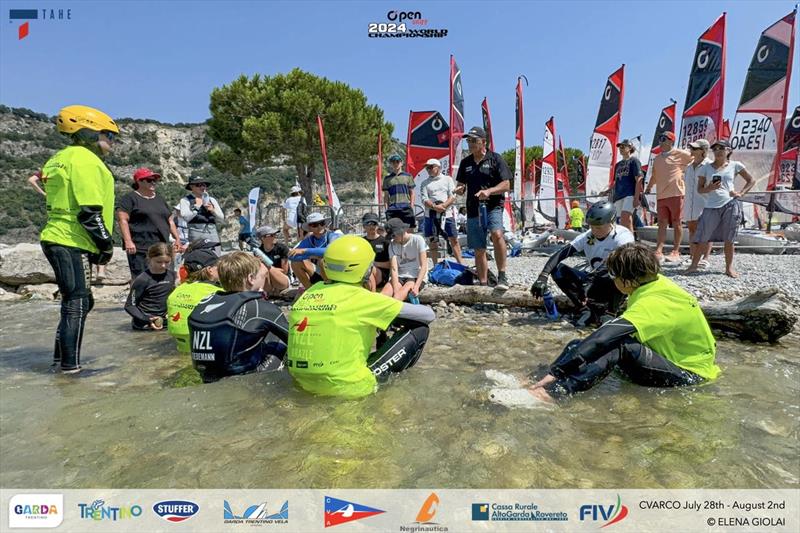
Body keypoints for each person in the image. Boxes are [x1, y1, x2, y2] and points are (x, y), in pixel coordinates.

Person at [491, 243, 720, 406]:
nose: (611, 279)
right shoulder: (650, 283)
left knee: (614, 345)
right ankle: (532, 382)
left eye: (613, 275)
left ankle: (553, 394)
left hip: (690, 374)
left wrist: (558, 371)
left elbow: (604, 338)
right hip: (671, 358)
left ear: (627, 280)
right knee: (577, 344)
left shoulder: (655, 301)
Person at [287, 235, 435, 398]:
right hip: (350, 387)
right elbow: (428, 315)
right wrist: (387, 318)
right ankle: (387, 387)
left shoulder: (308, 294)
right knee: (420, 329)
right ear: (366, 268)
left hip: (301, 384)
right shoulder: (363, 299)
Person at [40, 105, 118, 374]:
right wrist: (105, 245)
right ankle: (70, 368)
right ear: (89, 132)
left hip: (59, 236)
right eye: (109, 135)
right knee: (77, 302)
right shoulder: (85, 160)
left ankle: (59, 359)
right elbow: (89, 211)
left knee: (78, 300)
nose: (112, 141)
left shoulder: (59, 158)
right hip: (71, 238)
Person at [529, 200, 634, 327]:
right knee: (557, 270)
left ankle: (611, 312)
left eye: (599, 227)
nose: (594, 231)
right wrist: (543, 276)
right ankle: (584, 310)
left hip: (615, 285)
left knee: (620, 269)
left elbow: (617, 262)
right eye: (592, 226)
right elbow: (560, 254)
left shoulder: (623, 236)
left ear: (611, 222)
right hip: (594, 281)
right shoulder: (588, 236)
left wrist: (589, 281)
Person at [188, 252, 288, 382]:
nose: (264, 278)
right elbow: (295, 338)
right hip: (246, 379)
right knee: (278, 337)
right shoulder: (259, 308)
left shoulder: (203, 304)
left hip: (207, 377)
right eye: (262, 276)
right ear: (251, 278)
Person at [685, 139, 755, 278]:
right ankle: (693, 266)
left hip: (730, 203)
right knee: (702, 237)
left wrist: (741, 193)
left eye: (721, 148)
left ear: (728, 150)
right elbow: (700, 189)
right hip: (710, 205)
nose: (717, 151)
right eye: (715, 149)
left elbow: (751, 180)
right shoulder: (706, 168)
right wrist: (710, 188)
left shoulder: (736, 165)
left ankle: (729, 268)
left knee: (729, 238)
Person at [455, 126, 513, 290]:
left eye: (474, 141)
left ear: (483, 142)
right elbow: (461, 184)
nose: (471, 144)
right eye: (468, 141)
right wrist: (460, 189)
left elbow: (506, 184)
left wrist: (489, 191)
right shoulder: (466, 162)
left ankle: (502, 276)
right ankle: (483, 283)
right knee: (478, 248)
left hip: (493, 206)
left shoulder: (495, 159)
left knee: (497, 234)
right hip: (473, 208)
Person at [116, 167, 182, 281]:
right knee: (141, 278)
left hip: (162, 247)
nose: (153, 182)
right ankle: (138, 299)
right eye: (149, 180)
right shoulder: (130, 198)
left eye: (154, 180)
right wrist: (128, 241)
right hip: (140, 247)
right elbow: (122, 220)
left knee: (164, 278)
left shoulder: (160, 199)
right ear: (139, 181)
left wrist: (177, 239)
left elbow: (170, 220)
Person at [643, 131, 693, 262]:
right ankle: (659, 250)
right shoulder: (657, 158)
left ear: (671, 141)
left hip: (676, 192)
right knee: (661, 223)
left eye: (664, 138)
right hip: (661, 195)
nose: (661, 141)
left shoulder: (680, 153)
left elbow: (696, 159)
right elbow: (654, 175)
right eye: (660, 138)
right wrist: (648, 187)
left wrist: (685, 173)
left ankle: (675, 251)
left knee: (677, 223)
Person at [166, 239, 223, 353]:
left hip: (180, 347)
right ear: (210, 270)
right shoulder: (218, 292)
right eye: (218, 266)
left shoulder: (176, 291)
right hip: (208, 349)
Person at [420, 157, 464, 264]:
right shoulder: (424, 183)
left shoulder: (447, 179)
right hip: (430, 215)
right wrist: (435, 207)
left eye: (431, 167)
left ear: (438, 167)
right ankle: (435, 265)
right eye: (427, 168)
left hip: (447, 214)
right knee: (432, 240)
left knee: (453, 239)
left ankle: (461, 264)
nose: (428, 170)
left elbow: (452, 195)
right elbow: (424, 199)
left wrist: (443, 206)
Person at [124, 243, 176, 330]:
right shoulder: (143, 279)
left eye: (167, 262)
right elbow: (130, 306)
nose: (163, 265)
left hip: (165, 323)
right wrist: (147, 319)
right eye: (159, 262)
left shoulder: (173, 276)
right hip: (145, 324)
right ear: (150, 258)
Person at [288, 212, 340, 289]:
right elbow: (291, 256)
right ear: (310, 228)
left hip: (336, 273)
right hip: (318, 271)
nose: (319, 227)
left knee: (322, 261)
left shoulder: (333, 236)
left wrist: (304, 252)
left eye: (321, 223)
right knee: (295, 263)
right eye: (315, 225)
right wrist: (313, 255)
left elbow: (329, 251)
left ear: (325, 224)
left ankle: (329, 288)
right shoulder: (309, 240)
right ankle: (309, 290)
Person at [682, 139, 713, 268]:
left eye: (695, 148)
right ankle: (693, 256)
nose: (692, 150)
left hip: (705, 202)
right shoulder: (689, 167)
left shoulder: (710, 166)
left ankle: (705, 258)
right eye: (692, 148)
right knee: (692, 229)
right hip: (690, 202)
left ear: (703, 151)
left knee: (705, 231)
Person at [381, 218, 429, 302]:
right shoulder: (392, 245)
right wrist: (395, 289)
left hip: (415, 276)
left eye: (393, 235)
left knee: (397, 297)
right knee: (383, 296)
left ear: (401, 232)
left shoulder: (418, 240)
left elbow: (424, 266)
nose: (393, 238)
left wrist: (416, 286)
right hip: (400, 275)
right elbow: (394, 268)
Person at [178, 176, 225, 252]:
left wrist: (213, 211)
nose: (203, 187)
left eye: (204, 185)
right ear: (191, 187)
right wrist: (197, 206)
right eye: (199, 185)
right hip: (196, 233)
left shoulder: (212, 200)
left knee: (216, 256)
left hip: (212, 232)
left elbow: (221, 218)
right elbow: (186, 217)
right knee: (198, 256)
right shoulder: (185, 200)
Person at [611, 139, 644, 233]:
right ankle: (623, 242)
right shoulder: (617, 165)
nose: (620, 148)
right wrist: (606, 191)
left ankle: (631, 243)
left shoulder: (634, 161)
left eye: (623, 146)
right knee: (619, 221)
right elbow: (616, 182)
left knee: (626, 217)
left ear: (630, 148)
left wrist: (637, 198)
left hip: (630, 194)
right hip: (618, 196)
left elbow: (639, 179)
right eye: (619, 147)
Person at [383, 154, 417, 229]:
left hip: (406, 207)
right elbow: (386, 196)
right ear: (391, 164)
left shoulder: (408, 176)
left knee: (410, 230)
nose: (395, 164)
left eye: (397, 162)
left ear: (401, 163)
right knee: (393, 232)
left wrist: (411, 206)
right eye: (393, 162)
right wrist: (386, 209)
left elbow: (412, 193)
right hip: (392, 209)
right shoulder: (387, 178)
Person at [255, 225, 290, 295]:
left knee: (264, 267)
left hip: (282, 278)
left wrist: (267, 266)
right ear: (263, 238)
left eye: (275, 234)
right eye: (271, 235)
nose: (274, 236)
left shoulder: (282, 248)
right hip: (267, 280)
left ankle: (271, 291)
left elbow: (284, 271)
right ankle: (268, 292)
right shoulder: (258, 252)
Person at [361, 212, 391, 291]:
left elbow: (391, 264)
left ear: (378, 225)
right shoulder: (361, 242)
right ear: (364, 226)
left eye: (374, 223)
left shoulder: (385, 242)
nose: (371, 226)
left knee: (369, 269)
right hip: (364, 272)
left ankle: (372, 294)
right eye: (368, 223)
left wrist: (373, 264)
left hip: (381, 275)